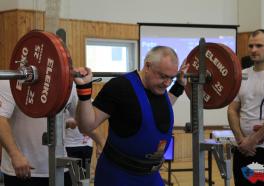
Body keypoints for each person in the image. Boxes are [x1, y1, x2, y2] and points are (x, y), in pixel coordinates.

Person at [73, 46, 187, 186]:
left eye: (171, 78)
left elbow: (157, 109)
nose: (167, 83)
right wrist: (84, 91)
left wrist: (179, 85)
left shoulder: (159, 88)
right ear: (147, 66)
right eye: (163, 76)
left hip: (151, 176)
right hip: (118, 177)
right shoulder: (120, 87)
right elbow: (86, 126)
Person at [228, 29, 264, 185]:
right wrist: (241, 140)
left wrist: (253, 140)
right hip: (243, 150)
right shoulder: (242, 75)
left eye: (259, 45)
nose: (253, 50)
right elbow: (232, 109)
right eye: (251, 46)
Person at [0, 80, 75, 186]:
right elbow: (1, 119)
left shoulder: (67, 84)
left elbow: (84, 123)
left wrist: (84, 90)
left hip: (59, 167)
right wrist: (15, 154)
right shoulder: (11, 82)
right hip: (24, 168)